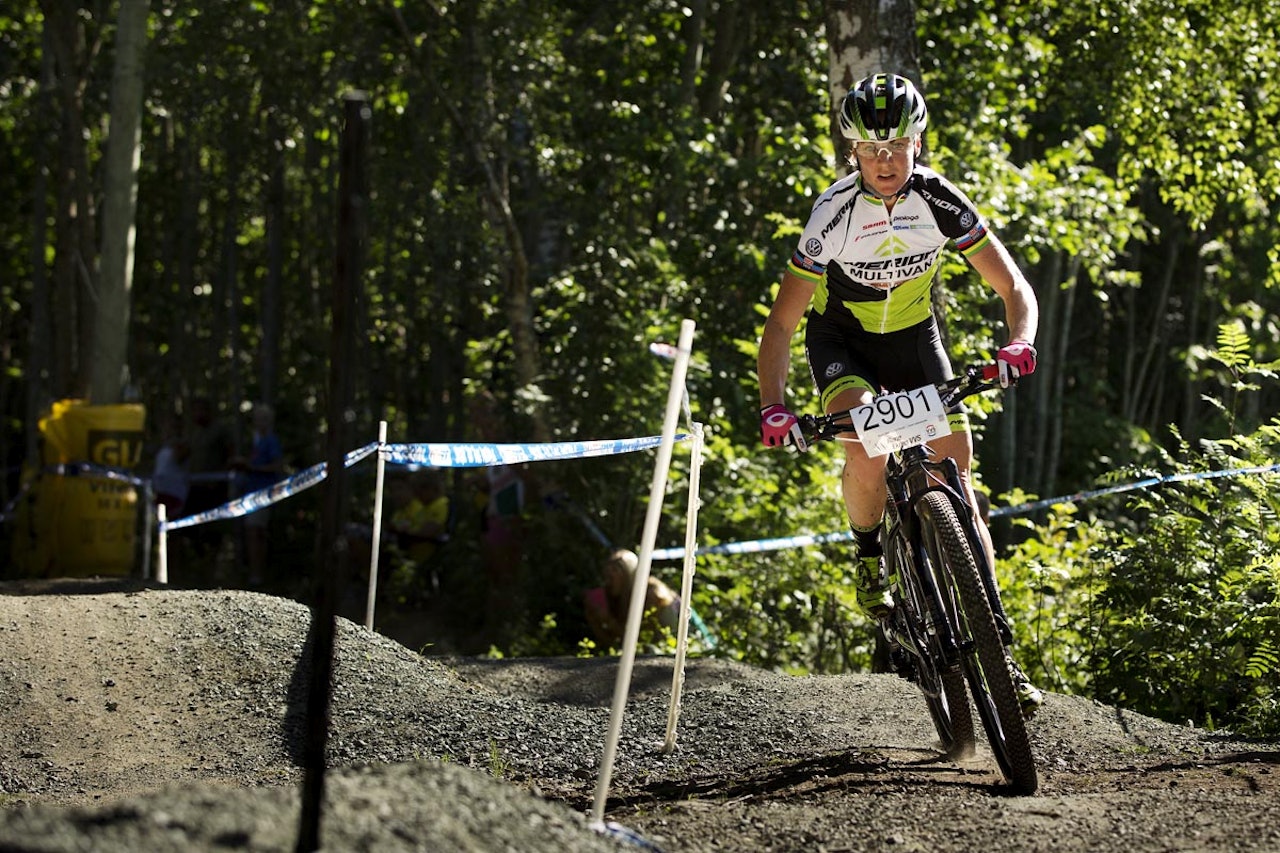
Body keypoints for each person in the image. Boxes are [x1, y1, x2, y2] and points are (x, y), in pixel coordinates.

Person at [755, 73, 1043, 716]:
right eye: (870, 150)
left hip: (914, 338)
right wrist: (774, 405)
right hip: (843, 342)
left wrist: (1019, 341)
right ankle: (867, 553)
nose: (885, 163)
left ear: (918, 142)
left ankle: (999, 650)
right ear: (852, 152)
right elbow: (782, 323)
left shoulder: (940, 200)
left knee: (959, 484)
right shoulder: (832, 214)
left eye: (897, 147)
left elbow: (1013, 287)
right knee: (863, 437)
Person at [583, 548, 681, 648]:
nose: (608, 582)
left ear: (628, 576)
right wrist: (595, 621)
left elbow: (642, 641)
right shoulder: (617, 597)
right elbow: (614, 645)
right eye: (607, 576)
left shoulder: (654, 595)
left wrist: (609, 621)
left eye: (613, 574)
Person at [231, 403, 284, 586]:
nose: (258, 422)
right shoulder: (255, 442)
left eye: (262, 419)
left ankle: (258, 576)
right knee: (251, 532)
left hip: (263, 493)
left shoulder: (271, 441)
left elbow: (277, 466)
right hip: (250, 492)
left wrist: (252, 467)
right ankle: (253, 572)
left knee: (256, 533)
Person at [151, 413, 190, 520]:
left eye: (174, 427)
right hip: (160, 493)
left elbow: (180, 458)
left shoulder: (182, 445)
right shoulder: (162, 448)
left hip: (175, 495)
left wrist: (175, 442)